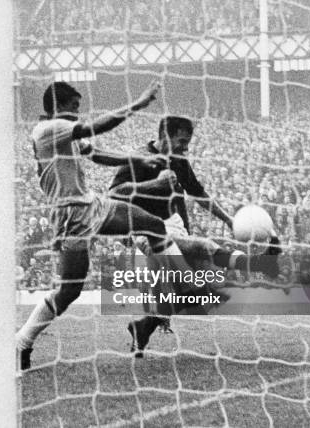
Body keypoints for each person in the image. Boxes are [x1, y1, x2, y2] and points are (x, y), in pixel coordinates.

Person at [16, 81, 194, 370]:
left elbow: (97, 154)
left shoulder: (63, 132)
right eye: (74, 107)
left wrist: (139, 158)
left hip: (91, 205)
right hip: (71, 214)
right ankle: (21, 342)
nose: (78, 112)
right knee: (69, 290)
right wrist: (138, 103)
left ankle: (183, 280)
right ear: (59, 107)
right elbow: (97, 127)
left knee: (153, 225)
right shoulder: (50, 129)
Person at [109, 116, 281, 354]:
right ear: (165, 136)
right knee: (203, 253)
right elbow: (114, 192)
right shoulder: (138, 158)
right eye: (182, 141)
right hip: (146, 231)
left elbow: (198, 193)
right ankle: (259, 263)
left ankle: (143, 328)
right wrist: (154, 186)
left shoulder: (178, 160)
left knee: (190, 295)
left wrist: (229, 220)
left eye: (188, 142)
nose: (186, 147)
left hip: (174, 227)